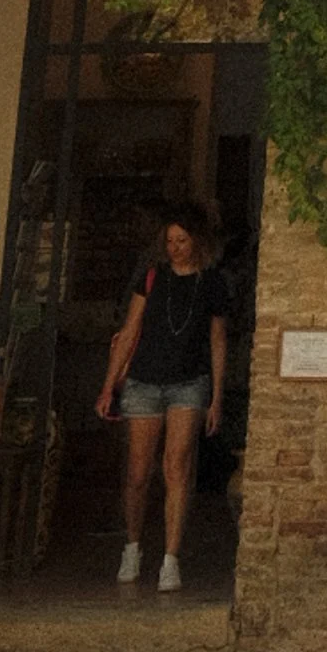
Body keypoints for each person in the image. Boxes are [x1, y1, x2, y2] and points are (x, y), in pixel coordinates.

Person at [96, 195, 229, 590]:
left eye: (182, 241)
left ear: (196, 241)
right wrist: (108, 386)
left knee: (177, 467)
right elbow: (129, 331)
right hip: (143, 381)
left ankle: (171, 557)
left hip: (189, 383)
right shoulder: (153, 277)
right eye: (170, 241)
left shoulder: (212, 282)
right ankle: (132, 546)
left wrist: (217, 397)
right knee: (138, 472)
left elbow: (218, 340)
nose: (175, 248)